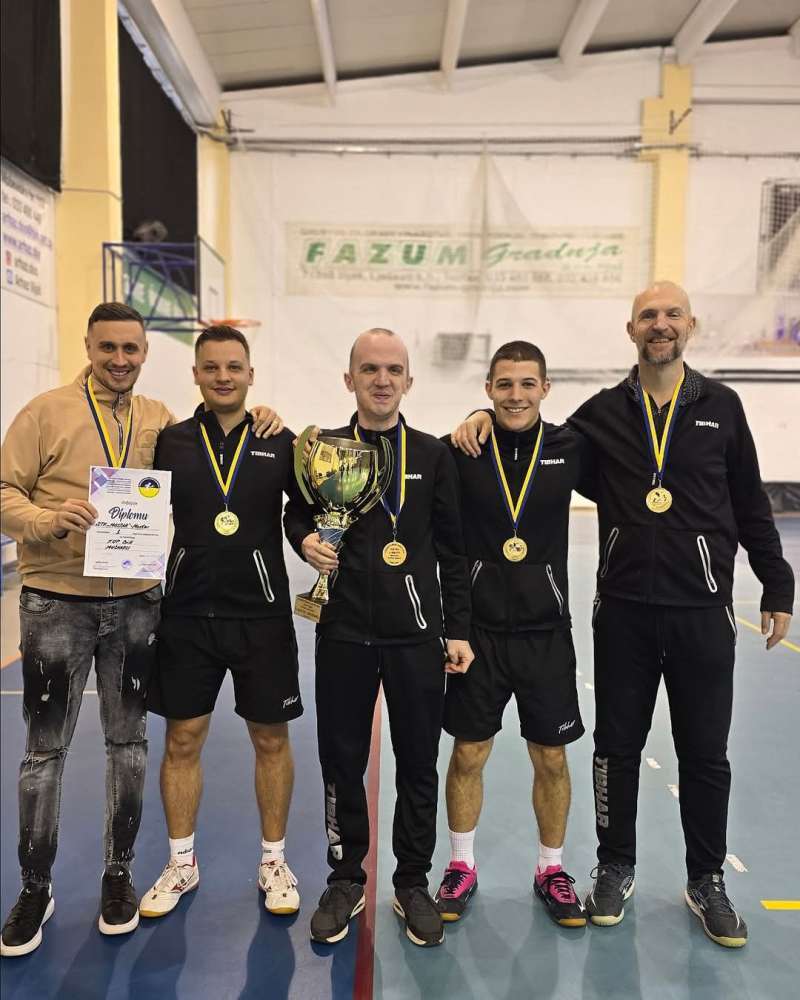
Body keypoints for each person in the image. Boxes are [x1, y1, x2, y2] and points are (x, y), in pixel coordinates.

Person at [452, 282, 794, 948]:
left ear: (690, 325)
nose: (660, 325)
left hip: (702, 612)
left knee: (706, 754)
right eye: (648, 316)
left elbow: (750, 501)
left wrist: (776, 583)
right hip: (625, 615)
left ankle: (706, 880)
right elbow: (532, 433)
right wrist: (481, 414)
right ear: (631, 330)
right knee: (616, 750)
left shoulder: (722, 407)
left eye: (671, 315)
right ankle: (614, 867)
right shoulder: (602, 416)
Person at [0, 303, 282, 957]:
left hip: (135, 605)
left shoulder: (161, 421)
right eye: (109, 348)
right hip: (56, 602)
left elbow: (218, 441)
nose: (120, 360)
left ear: (146, 353)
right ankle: (35, 889)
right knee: (44, 752)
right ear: (88, 346)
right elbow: (5, 491)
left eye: (131, 349)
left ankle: (118, 876)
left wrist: (264, 417)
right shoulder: (44, 412)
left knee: (128, 745)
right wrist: (46, 520)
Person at [284, 327, 473, 948]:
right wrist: (304, 540)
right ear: (350, 379)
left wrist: (458, 629)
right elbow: (295, 509)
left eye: (393, 369)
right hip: (343, 632)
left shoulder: (434, 456)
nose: (382, 380)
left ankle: (412, 881)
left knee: (418, 761)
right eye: (369, 369)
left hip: (416, 637)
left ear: (409, 381)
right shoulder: (323, 451)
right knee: (341, 762)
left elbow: (453, 549)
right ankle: (345, 878)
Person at [139, 325, 304, 920]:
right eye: (211, 367)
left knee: (271, 740)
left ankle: (273, 861)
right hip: (187, 615)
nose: (223, 377)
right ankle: (181, 862)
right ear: (196, 375)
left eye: (234, 367)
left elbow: (302, 514)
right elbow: (135, 504)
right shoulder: (171, 442)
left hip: (262, 615)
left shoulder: (280, 440)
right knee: (182, 739)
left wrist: (310, 541)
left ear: (250, 374)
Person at [434, 341, 588, 928]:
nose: (516, 395)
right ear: (488, 390)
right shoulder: (462, 450)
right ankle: (461, 864)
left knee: (551, 756)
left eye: (527, 384)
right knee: (469, 752)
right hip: (479, 636)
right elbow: (444, 540)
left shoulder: (571, 448)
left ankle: (551, 869)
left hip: (546, 633)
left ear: (545, 388)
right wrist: (455, 626)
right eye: (504, 385)